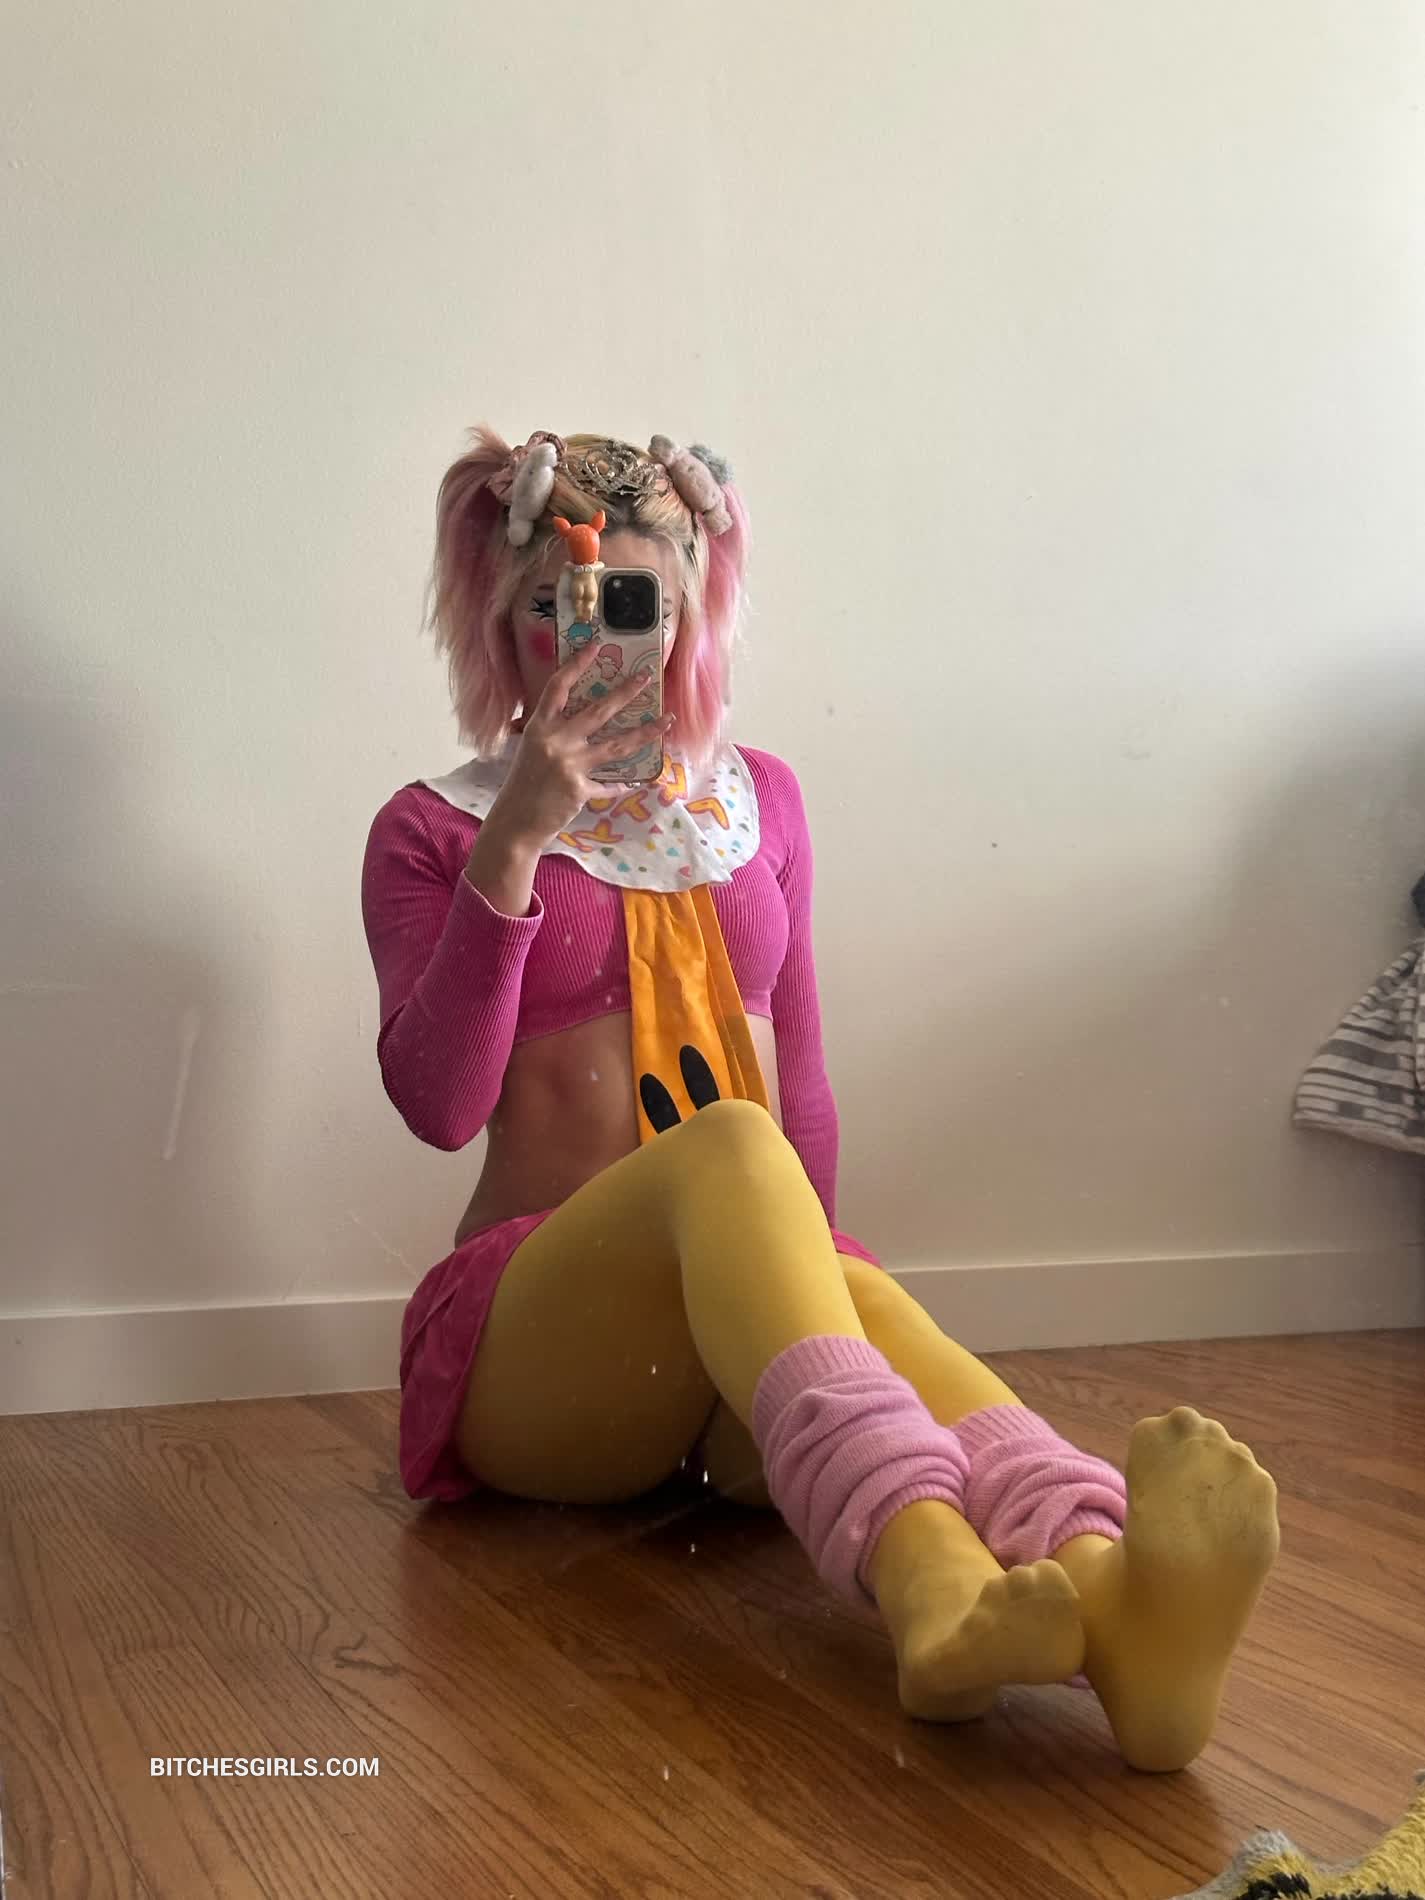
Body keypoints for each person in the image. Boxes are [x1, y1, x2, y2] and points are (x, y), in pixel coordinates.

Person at [361, 427, 1280, 1772]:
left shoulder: (761, 803)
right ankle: (929, 1585)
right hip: (538, 1358)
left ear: (687, 616)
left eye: (627, 603)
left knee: (848, 1278)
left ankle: (1116, 1600)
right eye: (548, 608)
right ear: (503, 623)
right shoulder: (437, 827)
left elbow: (805, 1074)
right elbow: (439, 1107)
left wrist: (820, 1290)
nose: (582, 640)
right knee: (729, 1146)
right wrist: (516, 841)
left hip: (716, 1369)